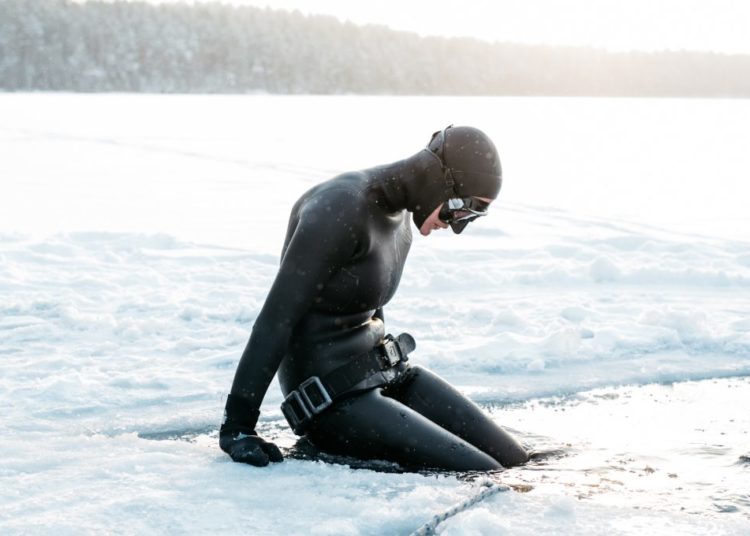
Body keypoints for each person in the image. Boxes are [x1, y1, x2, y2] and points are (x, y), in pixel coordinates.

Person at [219, 125, 529, 471]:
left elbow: (368, 310)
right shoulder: (339, 207)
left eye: (473, 215)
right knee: (485, 472)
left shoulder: (401, 222)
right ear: (442, 182)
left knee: (516, 460)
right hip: (332, 402)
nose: (457, 225)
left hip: (382, 377)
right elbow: (276, 320)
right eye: (464, 209)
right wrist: (238, 428)